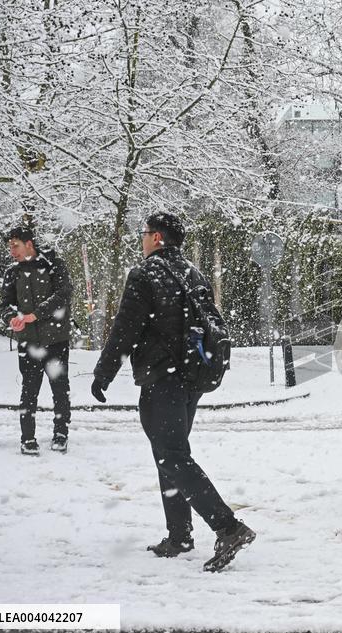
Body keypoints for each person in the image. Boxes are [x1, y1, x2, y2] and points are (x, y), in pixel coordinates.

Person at [91, 212, 254, 572]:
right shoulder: (192, 273)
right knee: (171, 452)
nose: (143, 238)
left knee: (171, 455)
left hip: (161, 378)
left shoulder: (145, 274)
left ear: (159, 238)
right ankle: (179, 534)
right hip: (191, 378)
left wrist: (103, 373)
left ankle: (228, 527)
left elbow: (124, 330)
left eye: (146, 232)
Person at [0, 226, 74, 455]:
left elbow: (63, 295)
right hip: (28, 342)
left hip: (56, 340)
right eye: (10, 247)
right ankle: (27, 438)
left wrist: (36, 314)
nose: (12, 251)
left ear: (29, 243)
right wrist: (12, 318)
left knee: (60, 389)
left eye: (16, 246)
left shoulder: (53, 265)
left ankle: (61, 433)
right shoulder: (12, 272)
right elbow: (5, 304)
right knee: (29, 390)